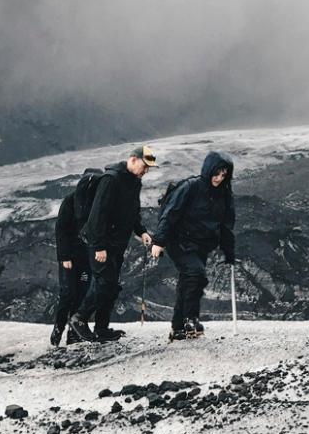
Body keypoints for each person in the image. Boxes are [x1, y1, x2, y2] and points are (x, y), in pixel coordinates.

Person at [67, 145, 156, 344]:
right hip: (102, 244)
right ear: (133, 160)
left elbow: (132, 211)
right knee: (104, 283)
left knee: (111, 286)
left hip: (117, 244)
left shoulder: (134, 182)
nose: (146, 171)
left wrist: (141, 231)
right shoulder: (111, 180)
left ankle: (102, 328)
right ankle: (79, 318)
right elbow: (98, 214)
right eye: (144, 166)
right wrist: (99, 246)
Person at [150, 151, 236, 341]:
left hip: (201, 245)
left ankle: (177, 328)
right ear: (208, 170)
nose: (219, 178)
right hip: (178, 241)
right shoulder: (191, 187)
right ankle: (190, 318)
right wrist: (159, 241)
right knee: (196, 274)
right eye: (216, 173)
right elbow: (170, 214)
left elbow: (226, 226)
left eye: (223, 175)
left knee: (187, 281)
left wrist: (229, 252)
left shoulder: (224, 195)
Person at [49, 177, 93, 346]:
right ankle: (58, 328)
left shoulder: (97, 202)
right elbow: (61, 229)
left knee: (81, 294)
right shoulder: (70, 201)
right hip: (70, 257)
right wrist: (64, 257)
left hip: (86, 257)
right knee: (67, 293)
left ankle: (73, 333)